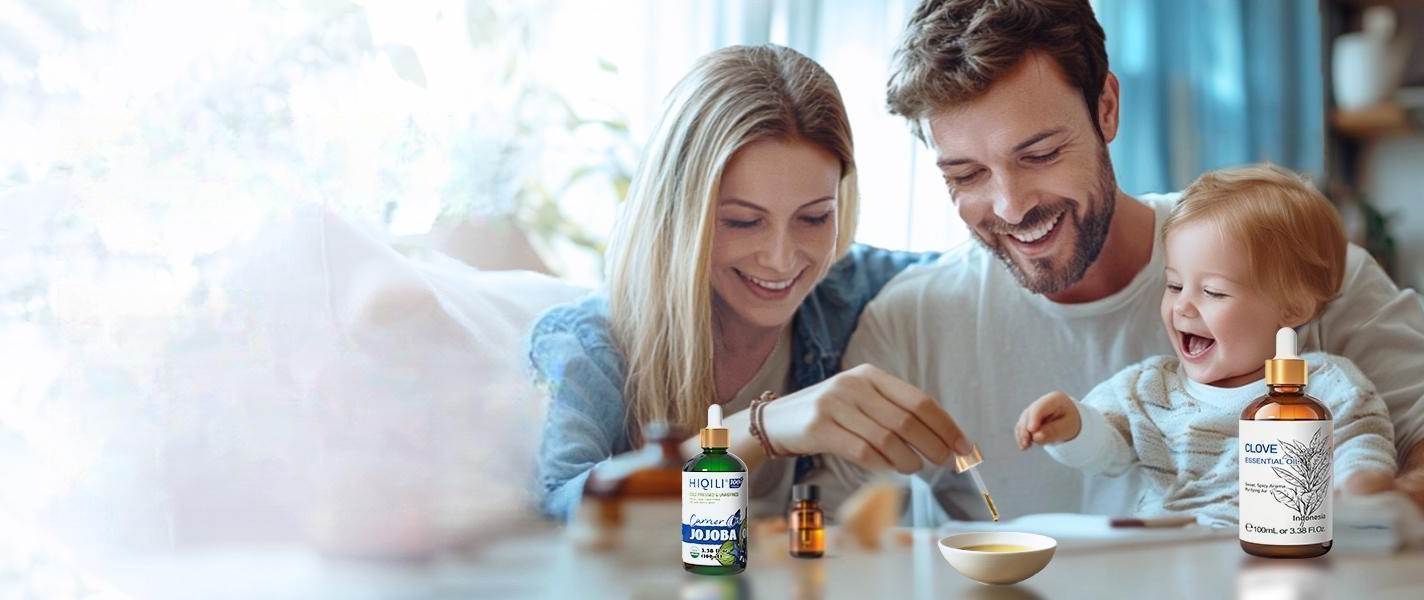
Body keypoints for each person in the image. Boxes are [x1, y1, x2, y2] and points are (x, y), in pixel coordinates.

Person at [836, 0, 1424, 521]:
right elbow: (832, 533)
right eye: (965, 175)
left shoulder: (1283, 260)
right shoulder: (908, 323)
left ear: (1107, 108)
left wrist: (1382, 505)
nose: (1010, 206)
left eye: (1040, 154)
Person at [529, 45, 967, 521]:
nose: (781, 259)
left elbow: (990, 270)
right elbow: (559, 516)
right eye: (742, 221)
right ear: (677, 213)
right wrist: (760, 430)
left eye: (814, 218)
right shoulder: (588, 345)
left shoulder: (851, 291)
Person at [1015, 164, 1398, 525]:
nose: (1183, 306)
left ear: (1293, 308)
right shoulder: (1149, 389)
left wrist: (1359, 485)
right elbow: (1106, 452)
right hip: (1166, 556)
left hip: (1272, 552)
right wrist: (1073, 426)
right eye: (1174, 285)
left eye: (1213, 291)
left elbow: (1361, 446)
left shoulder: (1325, 386)